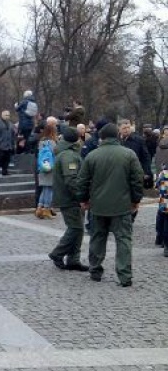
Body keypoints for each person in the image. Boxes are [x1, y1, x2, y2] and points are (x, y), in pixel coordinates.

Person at [76, 123, 144, 287]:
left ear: (101, 137)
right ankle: (125, 276)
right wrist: (136, 200)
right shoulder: (129, 154)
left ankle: (95, 270)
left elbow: (82, 181)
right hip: (122, 206)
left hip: (98, 205)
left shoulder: (92, 156)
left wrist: (83, 199)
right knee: (123, 240)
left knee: (97, 238)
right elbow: (137, 180)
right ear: (117, 136)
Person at [47, 127, 88, 271]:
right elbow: (71, 180)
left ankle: (73, 260)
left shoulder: (68, 152)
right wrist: (81, 196)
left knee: (78, 229)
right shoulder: (69, 155)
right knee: (75, 228)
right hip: (70, 198)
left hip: (71, 198)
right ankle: (57, 253)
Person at [118, 119, 153, 188]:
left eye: (128, 127)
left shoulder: (139, 140)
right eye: (124, 128)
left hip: (135, 173)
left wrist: (146, 172)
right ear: (119, 129)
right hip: (120, 173)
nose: (127, 130)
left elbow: (146, 157)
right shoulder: (116, 140)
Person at [35, 119, 59, 219]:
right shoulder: (52, 142)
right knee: (49, 189)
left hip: (42, 167)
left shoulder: (42, 141)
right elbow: (56, 154)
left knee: (44, 189)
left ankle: (39, 208)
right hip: (50, 168)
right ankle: (46, 209)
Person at [0, 110, 15, 175]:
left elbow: (12, 134)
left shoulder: (11, 124)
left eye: (8, 115)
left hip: (9, 144)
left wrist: (13, 144)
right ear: (2, 115)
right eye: (6, 115)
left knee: (7, 159)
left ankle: (5, 171)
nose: (7, 116)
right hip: (0, 144)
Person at [156, 157, 168, 258]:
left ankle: (162, 241)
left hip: (164, 201)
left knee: (163, 220)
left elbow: (157, 186)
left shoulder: (163, 173)